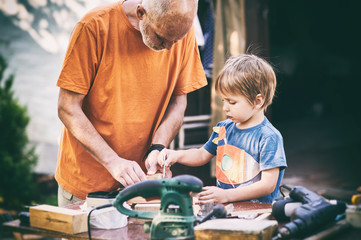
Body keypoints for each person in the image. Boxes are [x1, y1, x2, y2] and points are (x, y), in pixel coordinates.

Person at [55, 0, 207, 206]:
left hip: (143, 185)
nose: (170, 47)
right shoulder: (93, 27)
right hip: (88, 186)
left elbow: (178, 103)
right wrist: (113, 161)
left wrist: (157, 147)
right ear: (141, 13)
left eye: (176, 40)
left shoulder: (179, 32)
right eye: (162, 37)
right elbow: (68, 108)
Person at [159, 54, 287, 204]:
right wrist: (176, 155)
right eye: (223, 100)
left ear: (258, 101)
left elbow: (268, 185)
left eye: (232, 102)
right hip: (228, 210)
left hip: (259, 213)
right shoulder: (222, 129)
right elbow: (201, 155)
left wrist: (227, 195)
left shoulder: (268, 137)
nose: (225, 108)